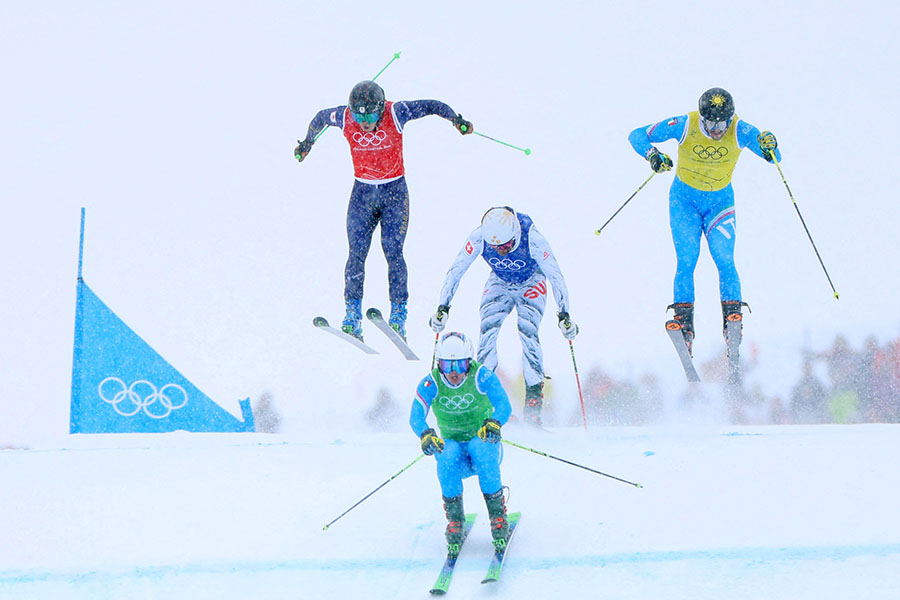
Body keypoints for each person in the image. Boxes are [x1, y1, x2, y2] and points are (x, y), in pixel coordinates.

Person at [295, 80, 473, 340]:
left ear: (380, 108)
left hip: (394, 194)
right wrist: (307, 142)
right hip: (363, 194)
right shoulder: (346, 117)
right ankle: (352, 316)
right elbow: (321, 117)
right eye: (358, 115)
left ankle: (398, 316)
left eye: (369, 115)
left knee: (392, 249)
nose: (363, 122)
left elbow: (432, 106)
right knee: (356, 253)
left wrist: (455, 120)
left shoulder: (396, 112)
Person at [628, 87, 781, 355]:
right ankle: (685, 326)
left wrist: (771, 145)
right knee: (687, 260)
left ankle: (733, 319)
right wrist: (653, 155)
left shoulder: (740, 130)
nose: (716, 130)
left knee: (724, 259)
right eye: (710, 123)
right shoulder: (685, 124)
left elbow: (774, 158)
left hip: (719, 205)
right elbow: (636, 135)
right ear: (702, 117)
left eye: (721, 123)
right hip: (684, 203)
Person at [428, 206, 578, 426]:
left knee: (528, 331)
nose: (501, 250)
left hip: (531, 281)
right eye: (495, 247)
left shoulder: (533, 238)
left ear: (515, 235)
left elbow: (555, 275)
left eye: (506, 246)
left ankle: (533, 404)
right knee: (488, 330)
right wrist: (443, 306)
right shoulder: (480, 237)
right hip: (499, 281)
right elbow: (457, 270)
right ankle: (487, 399)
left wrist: (564, 314)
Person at [410, 331, 513, 554]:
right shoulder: (432, 382)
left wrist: (495, 423)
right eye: (447, 366)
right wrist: (426, 434)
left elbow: (504, 405)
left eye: (460, 365)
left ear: (470, 361)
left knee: (480, 448)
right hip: (454, 450)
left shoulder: (481, 376)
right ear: (439, 364)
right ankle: (455, 520)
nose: (454, 372)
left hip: (484, 442)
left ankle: (498, 517)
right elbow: (415, 416)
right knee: (446, 455)